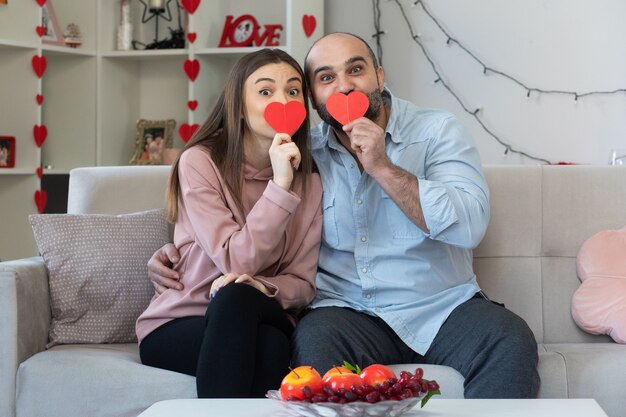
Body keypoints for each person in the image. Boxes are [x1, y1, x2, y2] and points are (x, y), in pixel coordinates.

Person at [147, 32, 540, 398]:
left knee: (511, 340)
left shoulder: (437, 131)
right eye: (325, 77)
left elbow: (470, 226)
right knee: (310, 346)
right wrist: (179, 249)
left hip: (442, 307)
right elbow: (237, 222)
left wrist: (383, 167)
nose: (344, 86)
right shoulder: (304, 157)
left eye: (355, 70)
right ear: (314, 99)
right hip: (347, 312)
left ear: (380, 76)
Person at [135, 48, 323, 398]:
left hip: (263, 311)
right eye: (265, 91)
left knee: (238, 297)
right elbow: (235, 261)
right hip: (181, 320)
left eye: (293, 90)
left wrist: (260, 288)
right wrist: (280, 187)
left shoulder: (311, 181)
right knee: (265, 344)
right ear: (238, 106)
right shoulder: (200, 162)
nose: (282, 99)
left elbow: (303, 285)